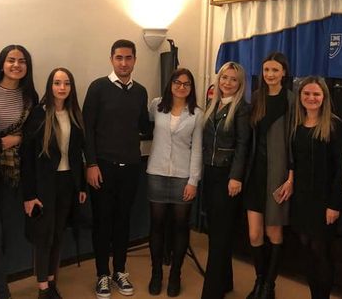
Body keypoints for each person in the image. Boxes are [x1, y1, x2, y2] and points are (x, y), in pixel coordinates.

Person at [83, 39, 151, 298]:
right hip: (102, 167)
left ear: (135, 60)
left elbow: (143, 125)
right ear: (111, 59)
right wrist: (91, 164)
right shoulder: (98, 87)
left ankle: (119, 271)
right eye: (119, 58)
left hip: (131, 167)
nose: (124, 63)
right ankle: (102, 273)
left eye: (128, 58)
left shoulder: (140, 91)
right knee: (103, 222)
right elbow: (88, 129)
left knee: (123, 220)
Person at [0, 45, 38, 299]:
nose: (16, 65)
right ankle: (1, 291)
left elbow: (33, 133)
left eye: (22, 61)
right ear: (2, 63)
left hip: (11, 171)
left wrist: (16, 139)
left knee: (2, 233)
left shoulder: (29, 97)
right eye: (11, 60)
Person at [21, 68, 88, 298]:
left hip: (68, 182)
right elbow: (27, 158)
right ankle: (43, 288)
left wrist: (81, 186)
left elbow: (78, 155)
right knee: (44, 236)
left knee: (58, 234)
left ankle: (51, 281)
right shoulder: (38, 115)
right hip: (44, 185)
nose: (62, 87)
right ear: (50, 86)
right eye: (57, 83)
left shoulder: (75, 115)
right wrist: (29, 195)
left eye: (67, 83)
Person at [290, 76, 342, 299]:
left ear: (324, 97)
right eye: (307, 93)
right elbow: (294, 162)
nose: (311, 98)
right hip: (301, 199)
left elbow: (341, 169)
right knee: (305, 248)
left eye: (316, 94)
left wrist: (334, 205)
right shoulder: (296, 125)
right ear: (300, 96)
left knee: (320, 251)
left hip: (325, 201)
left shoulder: (335, 126)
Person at [146, 68, 203, 297]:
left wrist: (193, 180)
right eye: (177, 82)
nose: (181, 87)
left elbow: (197, 149)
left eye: (186, 84)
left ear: (191, 88)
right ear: (170, 84)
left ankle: (175, 275)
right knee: (157, 225)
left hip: (182, 177)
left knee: (181, 226)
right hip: (157, 173)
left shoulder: (197, 114)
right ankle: (156, 274)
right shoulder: (157, 106)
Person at [244, 52, 294, 299]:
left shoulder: (292, 100)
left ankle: (268, 286)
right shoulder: (257, 97)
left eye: (275, 70)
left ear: (284, 72)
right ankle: (260, 279)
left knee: (274, 233)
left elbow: (294, 140)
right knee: (254, 234)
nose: (270, 74)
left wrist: (291, 177)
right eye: (266, 70)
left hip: (278, 175)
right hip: (255, 174)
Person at [200, 61, 251, 299]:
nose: (227, 83)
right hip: (210, 173)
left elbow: (243, 145)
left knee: (220, 235)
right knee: (216, 232)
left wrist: (236, 177)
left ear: (240, 84)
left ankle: (211, 292)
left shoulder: (242, 108)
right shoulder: (213, 104)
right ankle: (225, 281)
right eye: (224, 78)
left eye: (233, 79)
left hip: (227, 176)